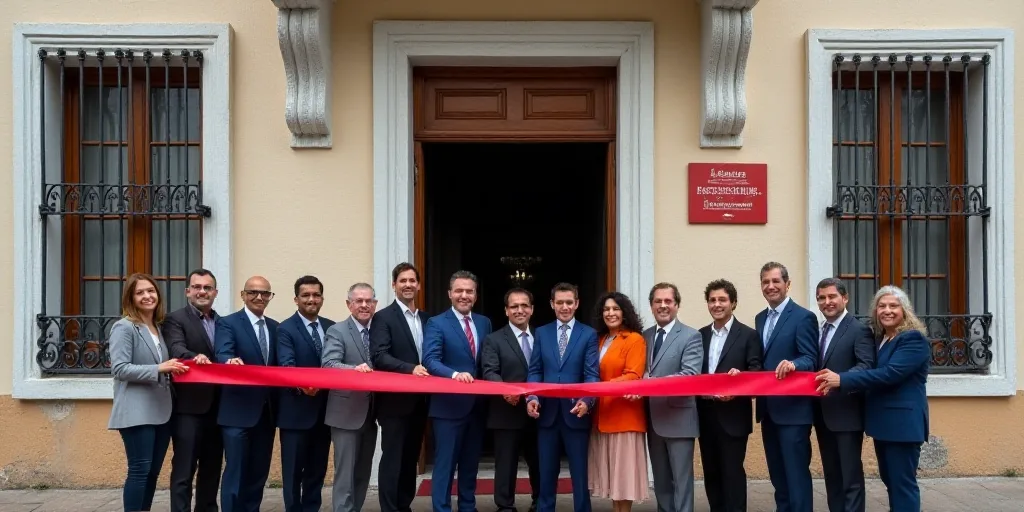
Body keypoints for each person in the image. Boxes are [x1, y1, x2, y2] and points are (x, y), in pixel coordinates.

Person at [815, 285, 931, 512]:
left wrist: (843, 379)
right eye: (882, 306)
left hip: (903, 425)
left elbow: (890, 374)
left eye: (893, 306)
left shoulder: (913, 339)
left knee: (902, 485)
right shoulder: (882, 338)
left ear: (904, 310)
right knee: (891, 481)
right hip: (883, 424)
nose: (887, 310)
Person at [108, 272, 187, 512]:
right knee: (140, 470)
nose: (147, 296)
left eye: (151, 291)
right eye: (140, 292)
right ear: (130, 298)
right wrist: (159, 368)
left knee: (152, 472)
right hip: (136, 411)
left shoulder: (157, 328)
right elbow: (120, 369)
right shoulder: (124, 327)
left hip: (161, 411)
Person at [422, 270, 493, 512]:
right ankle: (442, 509)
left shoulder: (484, 323)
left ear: (476, 295)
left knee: (470, 465)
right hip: (448, 407)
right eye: (459, 291)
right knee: (445, 465)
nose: (464, 295)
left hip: (477, 407)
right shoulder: (436, 323)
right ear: (450, 294)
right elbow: (430, 360)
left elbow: (487, 362)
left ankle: (467, 507)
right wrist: (454, 375)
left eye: (469, 291)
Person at [526, 282, 600, 512]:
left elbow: (591, 374)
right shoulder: (542, 332)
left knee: (579, 473)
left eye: (569, 302)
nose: (565, 307)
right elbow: (535, 370)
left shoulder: (588, 334)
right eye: (560, 302)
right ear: (552, 304)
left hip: (576, 413)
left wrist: (587, 401)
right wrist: (532, 398)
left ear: (577, 304)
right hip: (546, 413)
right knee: (546, 472)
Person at [754, 261, 818, 512]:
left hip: (794, 411)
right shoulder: (760, 318)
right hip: (769, 409)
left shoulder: (804, 317)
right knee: (778, 475)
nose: (771, 286)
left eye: (776, 281)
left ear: (787, 284)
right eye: (765, 282)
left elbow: (810, 358)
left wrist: (793, 363)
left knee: (796, 475)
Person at [214, 275, 280, 512]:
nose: (259, 297)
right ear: (243, 295)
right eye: (253, 292)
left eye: (265, 293)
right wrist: (228, 360)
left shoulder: (275, 327)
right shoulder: (228, 323)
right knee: (236, 471)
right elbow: (222, 352)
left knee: (258, 473)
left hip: (267, 414)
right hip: (237, 413)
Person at [696, 279, 762, 512]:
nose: (717, 304)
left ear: (733, 303)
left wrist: (740, 379)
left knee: (732, 473)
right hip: (705, 415)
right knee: (711, 473)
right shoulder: (700, 335)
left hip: (733, 416)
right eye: (712, 300)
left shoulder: (749, 335)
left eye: (722, 299)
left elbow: (756, 372)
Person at [369, 262, 431, 512]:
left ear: (418, 285)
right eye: (402, 280)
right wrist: (410, 368)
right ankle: (390, 508)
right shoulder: (383, 317)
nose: (408, 285)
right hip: (394, 403)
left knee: (410, 459)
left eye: (412, 280)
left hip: (422, 401)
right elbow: (380, 356)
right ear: (393, 285)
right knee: (393, 458)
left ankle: (404, 505)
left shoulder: (427, 318)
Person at [639, 283, 704, 512]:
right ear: (651, 305)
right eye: (658, 301)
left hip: (679, 421)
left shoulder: (691, 335)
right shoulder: (644, 336)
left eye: (668, 301)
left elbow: (690, 375)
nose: (663, 306)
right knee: (661, 482)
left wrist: (651, 383)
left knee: (682, 482)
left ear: (677, 305)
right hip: (652, 421)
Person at [812, 278, 875, 512]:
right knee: (832, 477)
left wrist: (841, 379)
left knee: (850, 478)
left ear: (844, 298)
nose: (827, 302)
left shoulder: (859, 329)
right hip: (822, 415)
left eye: (831, 297)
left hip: (847, 415)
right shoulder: (819, 330)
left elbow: (866, 365)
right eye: (821, 298)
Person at [164, 268, 222, 512]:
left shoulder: (223, 322)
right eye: (197, 287)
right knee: (184, 470)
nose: (202, 292)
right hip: (188, 408)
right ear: (188, 291)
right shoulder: (175, 319)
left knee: (212, 468)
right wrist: (193, 357)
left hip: (219, 407)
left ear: (215, 292)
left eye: (207, 288)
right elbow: (176, 348)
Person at [276, 275, 335, 512]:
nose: (312, 299)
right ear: (296, 299)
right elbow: (286, 365)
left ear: (322, 298)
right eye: (306, 295)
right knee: (292, 473)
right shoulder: (285, 328)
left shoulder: (332, 327)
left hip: (325, 412)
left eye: (316, 294)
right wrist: (303, 385)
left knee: (317, 470)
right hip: (296, 412)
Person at [480, 288, 541, 512]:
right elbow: (489, 371)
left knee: (539, 463)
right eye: (514, 306)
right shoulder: (493, 339)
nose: (520, 310)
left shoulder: (542, 336)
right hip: (506, 411)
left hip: (538, 411)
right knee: (506, 465)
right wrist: (507, 390)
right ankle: (505, 506)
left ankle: (540, 502)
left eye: (524, 305)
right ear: (506, 311)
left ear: (532, 309)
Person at [588, 292, 649, 512]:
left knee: (623, 479)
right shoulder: (600, 339)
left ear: (624, 313)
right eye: (606, 309)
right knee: (615, 481)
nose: (610, 313)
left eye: (615, 309)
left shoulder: (634, 339)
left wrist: (600, 388)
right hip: (603, 416)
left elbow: (633, 375)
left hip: (625, 418)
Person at [323, 282, 380, 512]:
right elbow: (329, 364)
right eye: (359, 301)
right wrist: (354, 371)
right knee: (345, 475)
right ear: (349, 304)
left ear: (375, 304)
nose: (364, 305)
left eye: (369, 301)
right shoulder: (337, 330)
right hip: (345, 414)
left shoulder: (379, 330)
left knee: (362, 473)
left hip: (371, 414)